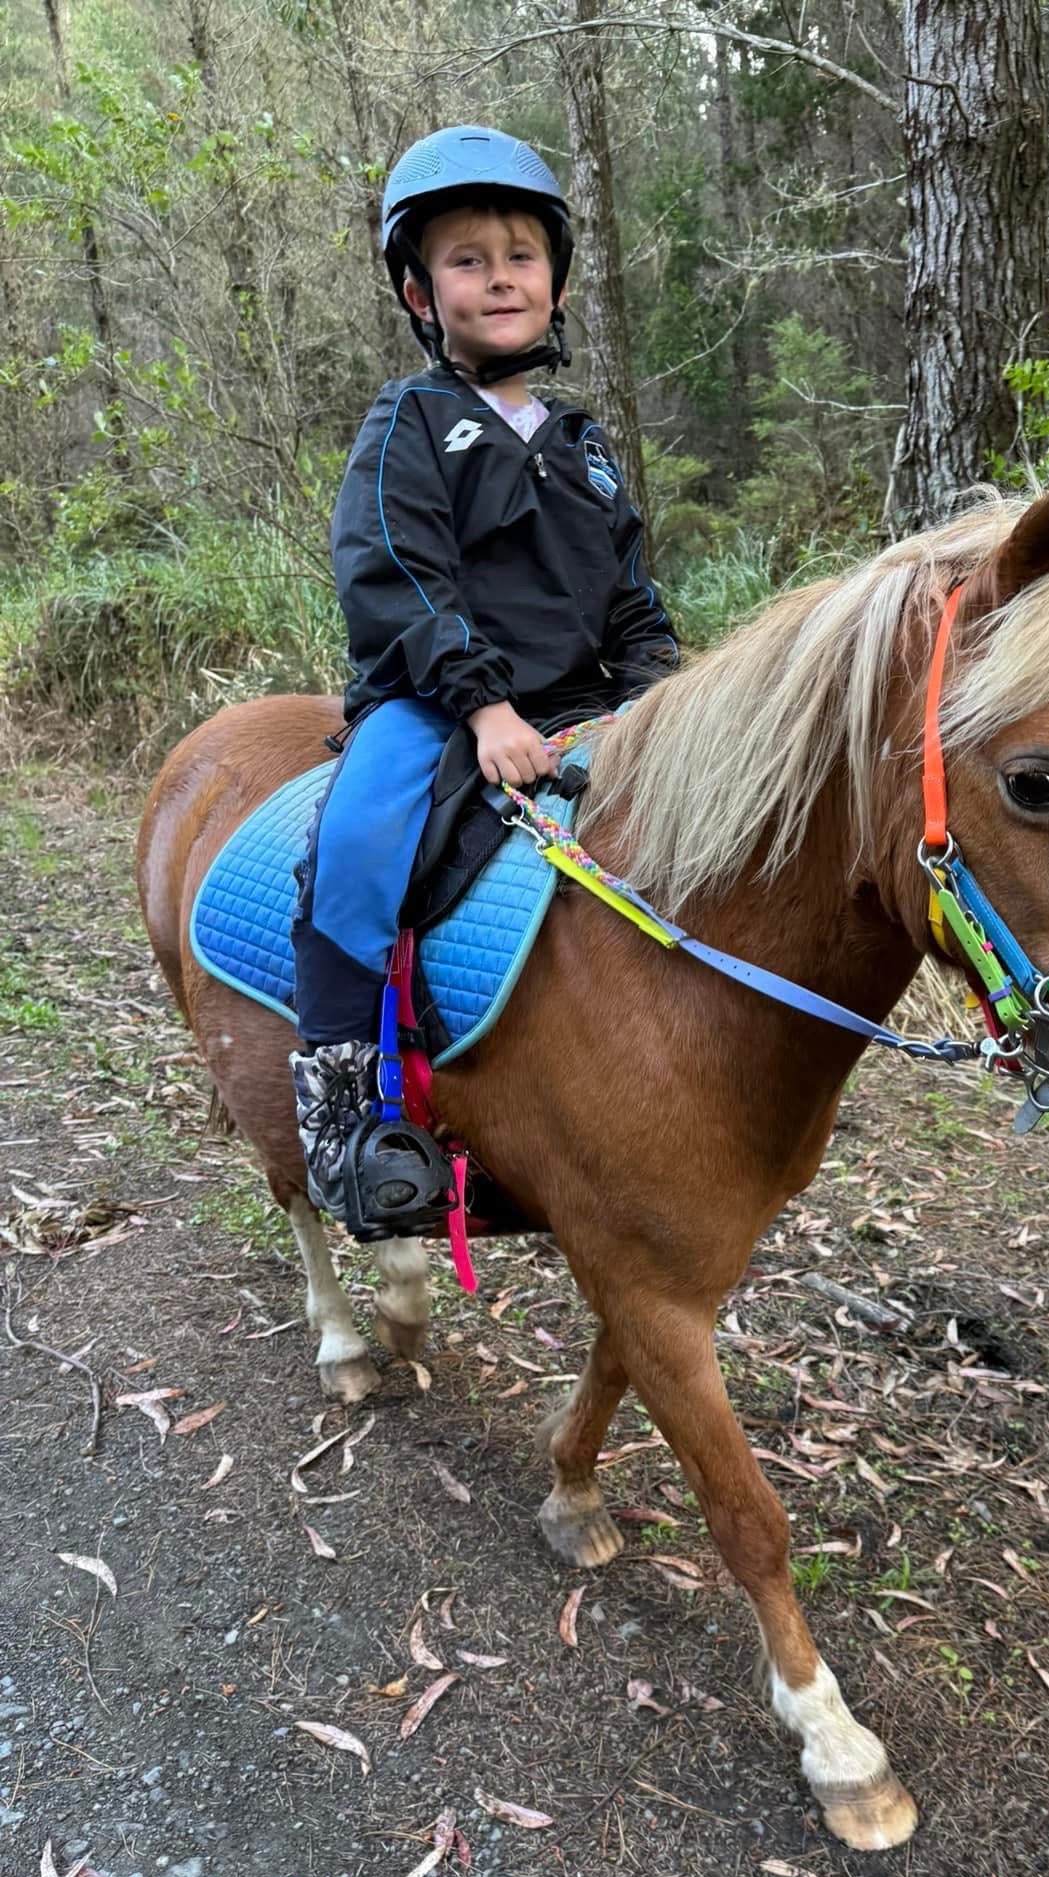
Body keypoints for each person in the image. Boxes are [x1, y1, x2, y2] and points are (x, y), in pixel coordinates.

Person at [290, 125, 677, 1240]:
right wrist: (483, 704)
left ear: (556, 282)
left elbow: (630, 594)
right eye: (468, 260)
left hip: (582, 702)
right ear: (422, 292)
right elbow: (397, 570)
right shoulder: (408, 421)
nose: (500, 276)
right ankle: (345, 1107)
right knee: (358, 839)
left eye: (520, 255)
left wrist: (659, 695)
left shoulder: (583, 444)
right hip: (436, 699)